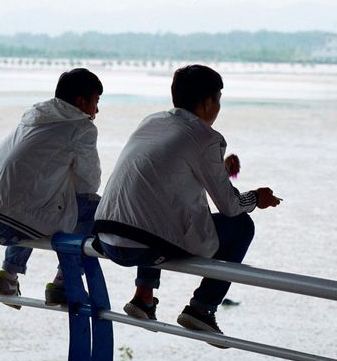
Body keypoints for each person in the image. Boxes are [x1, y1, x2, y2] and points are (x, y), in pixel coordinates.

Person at [93, 64, 280, 343]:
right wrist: (256, 198)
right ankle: (203, 307)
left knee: (153, 211)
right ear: (208, 102)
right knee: (242, 225)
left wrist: (220, 172)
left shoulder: (151, 122)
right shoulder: (206, 137)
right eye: (218, 101)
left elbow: (170, 180)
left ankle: (144, 296)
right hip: (143, 247)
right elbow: (229, 206)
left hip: (107, 238)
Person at [0, 68, 103, 307]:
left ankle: (8, 274)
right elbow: (88, 184)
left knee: (32, 205)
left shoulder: (32, 119)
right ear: (81, 101)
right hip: (5, 223)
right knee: (97, 208)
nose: (97, 111)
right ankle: (64, 281)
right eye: (96, 102)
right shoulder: (81, 127)